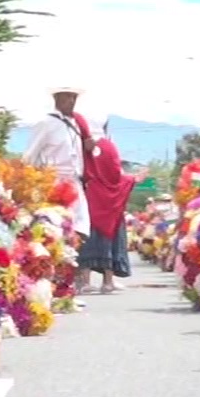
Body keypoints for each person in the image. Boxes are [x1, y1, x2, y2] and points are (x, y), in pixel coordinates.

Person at [78, 118, 144, 294]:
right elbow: (115, 176)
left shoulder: (80, 147)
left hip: (89, 201)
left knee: (87, 241)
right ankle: (108, 282)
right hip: (110, 207)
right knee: (110, 240)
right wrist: (133, 179)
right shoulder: (108, 147)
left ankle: (84, 282)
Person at [21, 86, 92, 244]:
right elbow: (29, 157)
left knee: (78, 232)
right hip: (53, 185)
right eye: (67, 96)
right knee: (53, 231)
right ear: (57, 98)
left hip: (74, 184)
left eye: (74, 97)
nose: (71, 101)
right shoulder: (46, 123)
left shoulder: (74, 126)